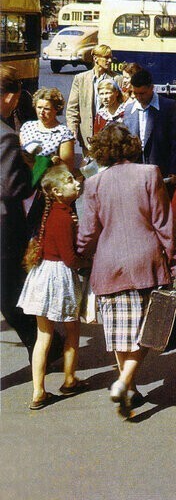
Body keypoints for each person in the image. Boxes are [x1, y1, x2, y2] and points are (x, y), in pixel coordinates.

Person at [77, 124, 176, 417]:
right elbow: (165, 225)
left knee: (121, 331)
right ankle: (126, 383)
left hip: (108, 265)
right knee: (148, 331)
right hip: (146, 262)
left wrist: (78, 256)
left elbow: (87, 234)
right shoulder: (149, 174)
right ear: (130, 145)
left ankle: (127, 384)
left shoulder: (94, 184)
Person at [18, 165, 90, 409]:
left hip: (42, 275)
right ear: (58, 192)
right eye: (70, 180)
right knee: (71, 329)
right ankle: (69, 379)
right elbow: (69, 258)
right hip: (59, 276)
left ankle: (38, 390)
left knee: (43, 335)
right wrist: (85, 262)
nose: (76, 183)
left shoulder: (53, 213)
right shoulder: (63, 217)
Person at [0, 67, 41, 359]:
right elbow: (16, 190)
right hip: (4, 225)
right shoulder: (6, 137)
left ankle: (41, 344)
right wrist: (38, 167)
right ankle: (41, 343)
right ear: (11, 97)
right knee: (10, 289)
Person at [122, 68, 176, 186]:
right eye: (135, 93)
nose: (139, 97)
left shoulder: (168, 107)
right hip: (134, 175)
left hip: (162, 174)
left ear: (151, 88)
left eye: (142, 93)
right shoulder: (128, 110)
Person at [66, 44, 121, 155]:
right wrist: (72, 129)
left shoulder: (117, 79)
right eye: (106, 58)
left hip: (110, 139)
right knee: (89, 170)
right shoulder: (80, 79)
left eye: (111, 57)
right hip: (88, 138)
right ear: (96, 59)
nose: (110, 60)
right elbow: (72, 108)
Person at [20, 88, 76, 173]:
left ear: (56, 109)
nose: (41, 112)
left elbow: (67, 168)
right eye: (39, 107)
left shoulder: (63, 133)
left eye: (46, 109)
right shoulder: (27, 127)